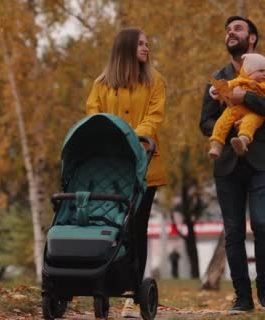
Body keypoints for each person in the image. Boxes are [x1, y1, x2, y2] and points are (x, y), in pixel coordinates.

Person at [199, 16, 265, 313]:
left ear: (252, 38)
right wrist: (230, 125)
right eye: (228, 30)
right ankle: (242, 297)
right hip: (227, 162)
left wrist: (245, 97)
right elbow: (205, 122)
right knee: (233, 231)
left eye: (237, 29)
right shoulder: (218, 77)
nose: (230, 32)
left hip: (262, 159)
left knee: (263, 224)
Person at [85, 27, 168, 318]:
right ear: (125, 48)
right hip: (111, 167)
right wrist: (113, 141)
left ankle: (132, 293)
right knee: (110, 225)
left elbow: (154, 117)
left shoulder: (155, 82)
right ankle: (106, 282)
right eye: (141, 44)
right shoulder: (101, 84)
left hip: (144, 166)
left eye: (148, 43)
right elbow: (94, 116)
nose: (146, 48)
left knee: (136, 228)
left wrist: (130, 138)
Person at [208, 53, 265, 159]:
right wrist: (216, 90)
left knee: (250, 123)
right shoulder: (240, 80)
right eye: (260, 71)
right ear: (249, 71)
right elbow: (228, 85)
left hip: (255, 113)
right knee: (223, 120)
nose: (264, 74)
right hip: (236, 109)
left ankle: (242, 141)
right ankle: (216, 146)